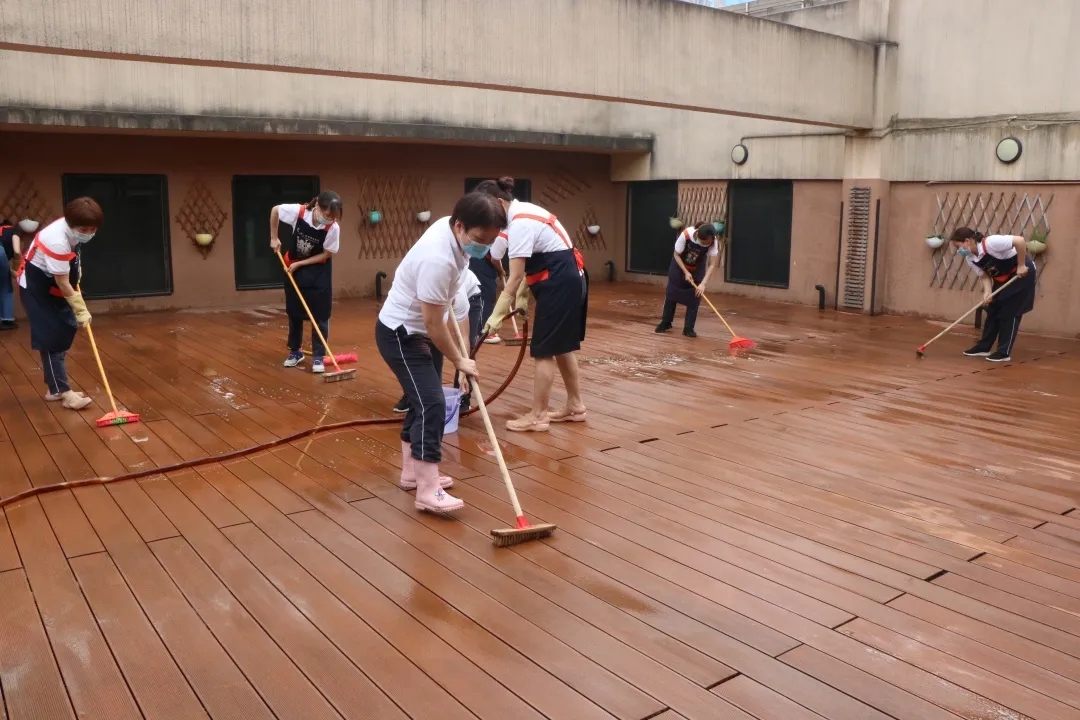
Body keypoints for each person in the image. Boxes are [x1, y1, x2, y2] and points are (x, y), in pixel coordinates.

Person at [376, 192, 506, 513]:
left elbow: (455, 309)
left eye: (491, 241)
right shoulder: (438, 259)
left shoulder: (452, 234)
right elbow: (434, 324)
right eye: (480, 240)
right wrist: (459, 360)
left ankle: (412, 473)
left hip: (414, 331)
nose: (485, 247)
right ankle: (427, 489)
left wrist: (464, 357)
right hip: (401, 334)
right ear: (460, 226)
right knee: (432, 403)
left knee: (422, 400)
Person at [476, 177, 588, 433]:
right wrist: (524, 294)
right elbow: (537, 258)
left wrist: (496, 316)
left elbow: (515, 276)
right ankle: (575, 406)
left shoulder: (520, 222)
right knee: (561, 346)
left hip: (560, 282)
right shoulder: (522, 213)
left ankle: (538, 416)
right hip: (565, 278)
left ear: (500, 203)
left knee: (543, 350)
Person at [17, 198, 102, 410]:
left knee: (66, 327)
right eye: (84, 229)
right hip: (36, 288)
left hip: (53, 285)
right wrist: (81, 309)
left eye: (93, 229)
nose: (89, 233)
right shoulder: (56, 240)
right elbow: (63, 283)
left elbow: (68, 270)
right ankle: (63, 392)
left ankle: (55, 387)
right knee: (51, 336)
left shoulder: (72, 231)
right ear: (71, 224)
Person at [392, 266, 483, 415]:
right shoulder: (416, 289)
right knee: (427, 340)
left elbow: (463, 338)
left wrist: (462, 372)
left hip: (470, 295)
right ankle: (419, 394)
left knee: (467, 349)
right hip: (431, 299)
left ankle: (462, 395)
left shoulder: (459, 296)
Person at [270, 191, 343, 374]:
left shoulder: (333, 228)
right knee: (294, 311)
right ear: (317, 206)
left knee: (321, 313)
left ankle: (319, 355)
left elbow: (326, 254)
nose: (329, 219)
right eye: (327, 215)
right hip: (294, 268)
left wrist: (300, 264)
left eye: (333, 216)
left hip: (318, 270)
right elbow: (275, 210)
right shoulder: (300, 212)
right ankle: (296, 352)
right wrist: (274, 237)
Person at [949, 227, 1036, 362]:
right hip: (1001, 278)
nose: (958, 250)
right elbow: (984, 276)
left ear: (967, 241)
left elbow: (1019, 241)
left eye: (958, 246)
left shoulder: (991, 242)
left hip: (1022, 274)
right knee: (993, 309)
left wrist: (1021, 265)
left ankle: (1003, 352)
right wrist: (988, 292)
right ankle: (984, 347)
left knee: (1010, 311)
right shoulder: (970, 258)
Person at [655, 222, 719, 338]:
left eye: (707, 243)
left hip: (697, 267)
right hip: (680, 265)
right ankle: (666, 322)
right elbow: (676, 255)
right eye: (703, 242)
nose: (705, 244)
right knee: (672, 292)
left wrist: (703, 284)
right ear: (697, 235)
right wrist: (685, 271)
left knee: (695, 295)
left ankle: (689, 327)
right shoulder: (686, 235)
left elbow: (712, 264)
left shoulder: (713, 241)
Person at [0, 219, 22, 330]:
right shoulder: (14, 230)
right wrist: (18, 264)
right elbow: (17, 251)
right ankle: (7, 320)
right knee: (6, 287)